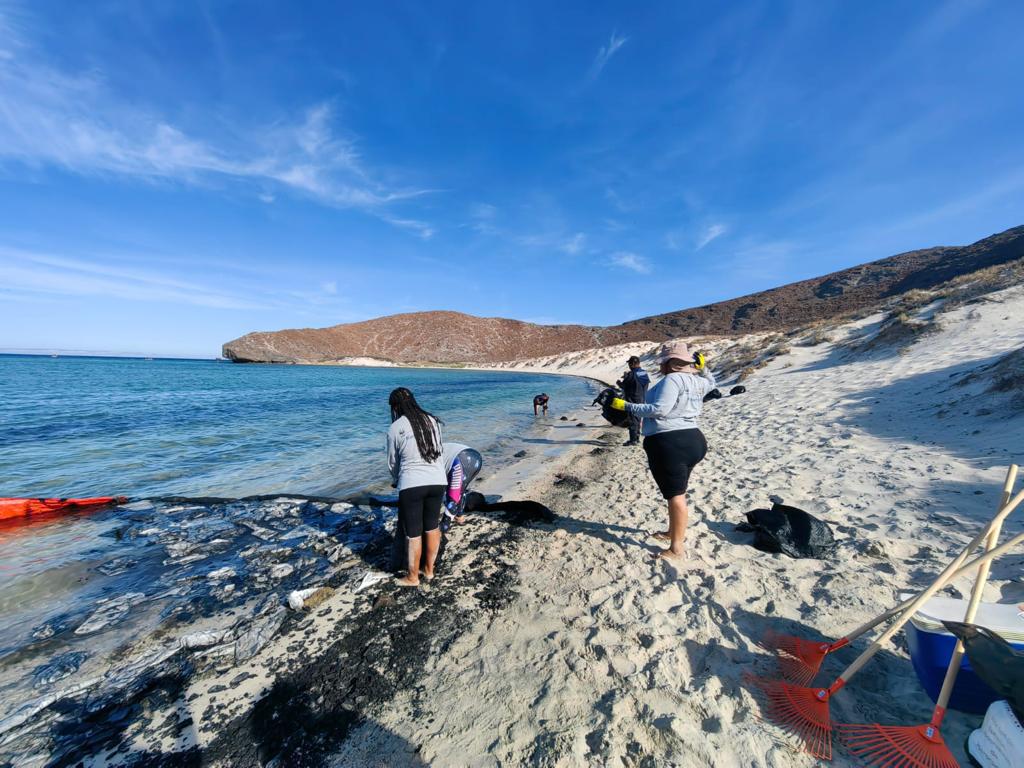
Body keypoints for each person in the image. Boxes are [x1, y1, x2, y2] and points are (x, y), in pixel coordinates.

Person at [610, 341, 716, 560]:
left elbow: (659, 410)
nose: (660, 366)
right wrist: (703, 368)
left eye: (663, 362)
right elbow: (711, 383)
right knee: (677, 492)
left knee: (676, 496)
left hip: (670, 443)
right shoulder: (697, 380)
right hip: (694, 440)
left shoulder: (672, 380)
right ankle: (672, 532)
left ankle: (676, 548)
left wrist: (625, 406)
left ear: (669, 363)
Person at [386, 387, 446, 586]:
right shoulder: (432, 420)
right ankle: (429, 571)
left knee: (413, 533)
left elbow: (393, 463)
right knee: (432, 527)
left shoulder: (396, 427)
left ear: (395, 407)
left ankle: (412, 577)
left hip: (412, 484)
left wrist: (396, 479)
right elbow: (439, 449)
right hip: (437, 480)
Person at [440, 442, 483, 529]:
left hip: (464, 459)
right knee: (458, 490)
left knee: (454, 494)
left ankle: (447, 525)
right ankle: (459, 516)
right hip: (473, 457)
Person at [617, 355, 650, 446]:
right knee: (638, 419)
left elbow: (624, 386)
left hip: (632, 400)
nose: (629, 366)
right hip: (642, 399)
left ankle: (633, 440)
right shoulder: (643, 373)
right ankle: (637, 438)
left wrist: (619, 383)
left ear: (632, 364)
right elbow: (645, 385)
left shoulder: (631, 374)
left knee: (632, 420)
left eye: (629, 364)